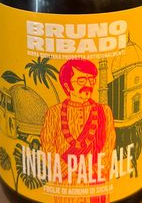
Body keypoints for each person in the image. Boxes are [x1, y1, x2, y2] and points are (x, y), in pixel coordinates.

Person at [40, 59, 116, 187]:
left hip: (97, 182)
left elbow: (108, 145)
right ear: (67, 86)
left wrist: (95, 171)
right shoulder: (54, 112)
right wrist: (67, 171)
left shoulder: (105, 111)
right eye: (81, 80)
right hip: (64, 184)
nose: (88, 84)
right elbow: (47, 145)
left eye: (91, 80)